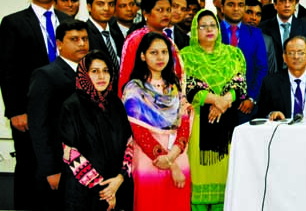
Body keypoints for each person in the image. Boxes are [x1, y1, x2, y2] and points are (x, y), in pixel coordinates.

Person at [0, 0, 73, 210]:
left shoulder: (67, 21)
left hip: (64, 110)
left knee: (62, 165)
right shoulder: (13, 22)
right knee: (31, 167)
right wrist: (15, 110)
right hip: (28, 111)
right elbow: (7, 70)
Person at [181, 10, 247, 210]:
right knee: (199, 177)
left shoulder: (233, 54)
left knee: (225, 178)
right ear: (195, 30)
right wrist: (215, 100)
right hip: (199, 124)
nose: (209, 29)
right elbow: (188, 86)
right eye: (203, 26)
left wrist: (223, 102)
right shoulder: (185, 56)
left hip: (227, 125)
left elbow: (240, 84)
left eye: (213, 25)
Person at [122, 32, 191, 210]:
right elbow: (140, 133)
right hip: (149, 159)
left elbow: (184, 124)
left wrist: (173, 155)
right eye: (154, 53)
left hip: (178, 153)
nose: (160, 57)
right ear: (143, 56)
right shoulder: (134, 89)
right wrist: (170, 163)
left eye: (164, 52)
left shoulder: (174, 87)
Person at [59, 50, 134, 211]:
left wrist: (120, 178)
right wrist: (104, 192)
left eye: (106, 71)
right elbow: (70, 153)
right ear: (84, 74)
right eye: (95, 71)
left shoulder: (115, 103)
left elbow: (130, 143)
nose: (102, 76)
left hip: (117, 186)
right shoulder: (71, 106)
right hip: (84, 192)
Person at [27, 20, 89, 210]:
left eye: (85, 39)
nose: (81, 44)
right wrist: (50, 170)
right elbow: (39, 126)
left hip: (88, 164)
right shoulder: (45, 75)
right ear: (59, 43)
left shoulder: (93, 75)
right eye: (74, 39)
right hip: (59, 164)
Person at [119, 0, 184, 92]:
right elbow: (126, 74)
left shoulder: (168, 40)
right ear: (145, 13)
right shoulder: (136, 39)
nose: (166, 14)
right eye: (160, 10)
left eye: (168, 10)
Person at [220, 0, 267, 124]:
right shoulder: (213, 30)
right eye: (231, 4)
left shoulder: (255, 33)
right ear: (222, 7)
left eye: (240, 5)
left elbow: (262, 68)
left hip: (245, 104)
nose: (236, 9)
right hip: (217, 103)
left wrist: (252, 98)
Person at [258, 0, 306, 70]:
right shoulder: (263, 28)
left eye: (291, 1)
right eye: (283, 1)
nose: (287, 5)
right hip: (271, 79)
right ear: (275, 5)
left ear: (295, 4)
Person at [85, 0, 124, 71]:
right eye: (100, 4)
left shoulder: (117, 33)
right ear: (89, 7)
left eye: (111, 4)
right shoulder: (84, 33)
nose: (106, 9)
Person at [244, 0, 277, 74]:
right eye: (249, 12)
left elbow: (272, 72)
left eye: (258, 14)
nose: (254, 18)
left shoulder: (267, 40)